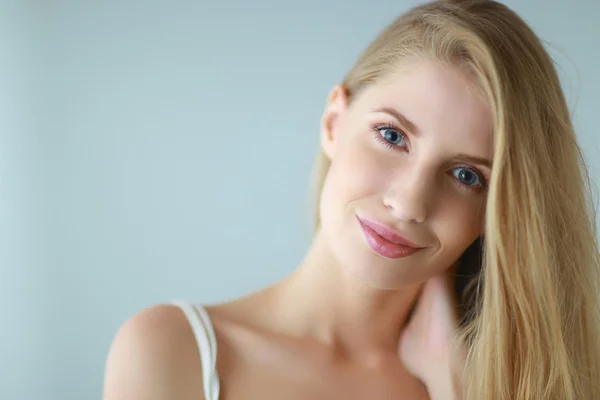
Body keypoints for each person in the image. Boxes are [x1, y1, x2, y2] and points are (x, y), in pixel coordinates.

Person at [103, 0, 600, 399]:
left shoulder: (513, 383)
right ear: (334, 123)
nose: (409, 204)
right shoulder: (174, 351)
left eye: (466, 174)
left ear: (500, 210)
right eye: (392, 135)